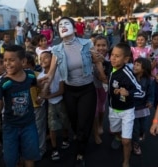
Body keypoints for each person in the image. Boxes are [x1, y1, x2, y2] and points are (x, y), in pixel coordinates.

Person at [42, 16, 106, 167]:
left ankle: (80, 153)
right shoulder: (56, 50)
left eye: (66, 24)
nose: (63, 26)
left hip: (87, 89)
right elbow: (51, 73)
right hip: (69, 91)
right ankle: (80, 137)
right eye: (60, 25)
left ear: (74, 28)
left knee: (84, 122)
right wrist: (44, 87)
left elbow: (96, 60)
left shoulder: (86, 43)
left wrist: (103, 75)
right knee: (74, 122)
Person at [0, 45, 44, 167]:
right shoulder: (1, 82)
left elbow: (37, 85)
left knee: (30, 157)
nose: (7, 63)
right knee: (11, 160)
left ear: (23, 61)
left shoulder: (30, 75)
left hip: (29, 124)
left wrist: (42, 93)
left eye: (11, 60)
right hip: (10, 127)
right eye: (4, 60)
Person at [108, 43, 145, 167]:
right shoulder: (110, 66)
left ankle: (126, 162)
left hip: (127, 111)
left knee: (126, 140)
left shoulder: (127, 74)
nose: (113, 58)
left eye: (117, 56)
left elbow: (141, 91)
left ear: (126, 59)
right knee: (115, 132)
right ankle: (118, 137)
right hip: (113, 109)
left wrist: (128, 93)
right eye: (112, 55)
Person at [39, 51, 70, 161]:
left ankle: (66, 138)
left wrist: (49, 96)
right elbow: (41, 91)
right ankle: (54, 148)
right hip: (51, 104)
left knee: (65, 122)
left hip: (60, 101)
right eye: (40, 58)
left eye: (46, 57)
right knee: (52, 127)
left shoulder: (59, 72)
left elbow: (61, 90)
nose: (43, 60)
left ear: (52, 59)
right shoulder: (41, 76)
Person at [132, 58, 154, 155]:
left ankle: (141, 133)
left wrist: (150, 101)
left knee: (144, 127)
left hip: (143, 108)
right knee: (135, 128)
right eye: (134, 64)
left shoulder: (149, 80)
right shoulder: (131, 77)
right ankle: (135, 144)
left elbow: (151, 93)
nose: (134, 66)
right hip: (133, 108)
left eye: (137, 65)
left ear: (144, 68)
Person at [92, 35, 109, 145]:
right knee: (95, 109)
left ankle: (100, 124)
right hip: (92, 86)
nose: (101, 48)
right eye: (98, 45)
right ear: (94, 46)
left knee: (102, 107)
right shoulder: (90, 57)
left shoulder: (110, 58)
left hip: (104, 86)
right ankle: (96, 134)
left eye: (103, 45)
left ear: (107, 46)